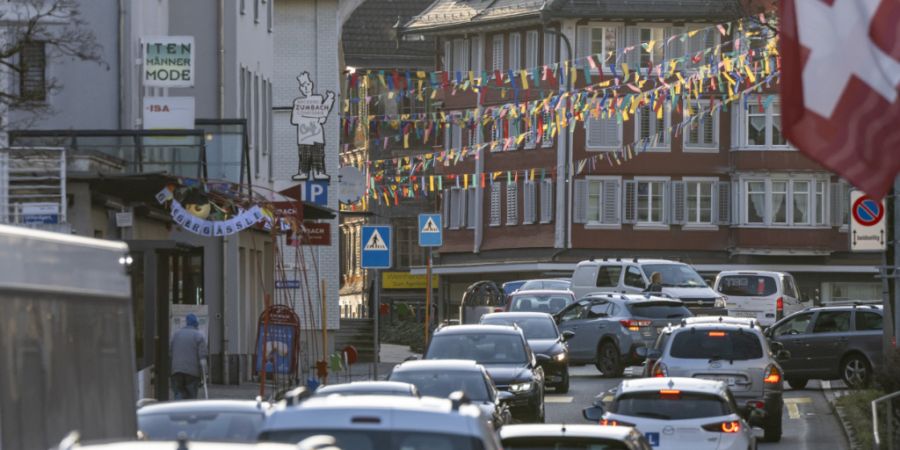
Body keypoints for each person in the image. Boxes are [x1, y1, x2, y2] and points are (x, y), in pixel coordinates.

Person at [170, 313, 208, 400]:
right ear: (196, 323)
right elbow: (202, 358)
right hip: (192, 373)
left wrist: (170, 371)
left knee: (178, 394)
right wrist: (204, 375)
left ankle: (179, 412)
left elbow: (170, 354)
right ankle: (189, 412)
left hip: (176, 371)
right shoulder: (199, 336)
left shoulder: (176, 335)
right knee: (191, 397)